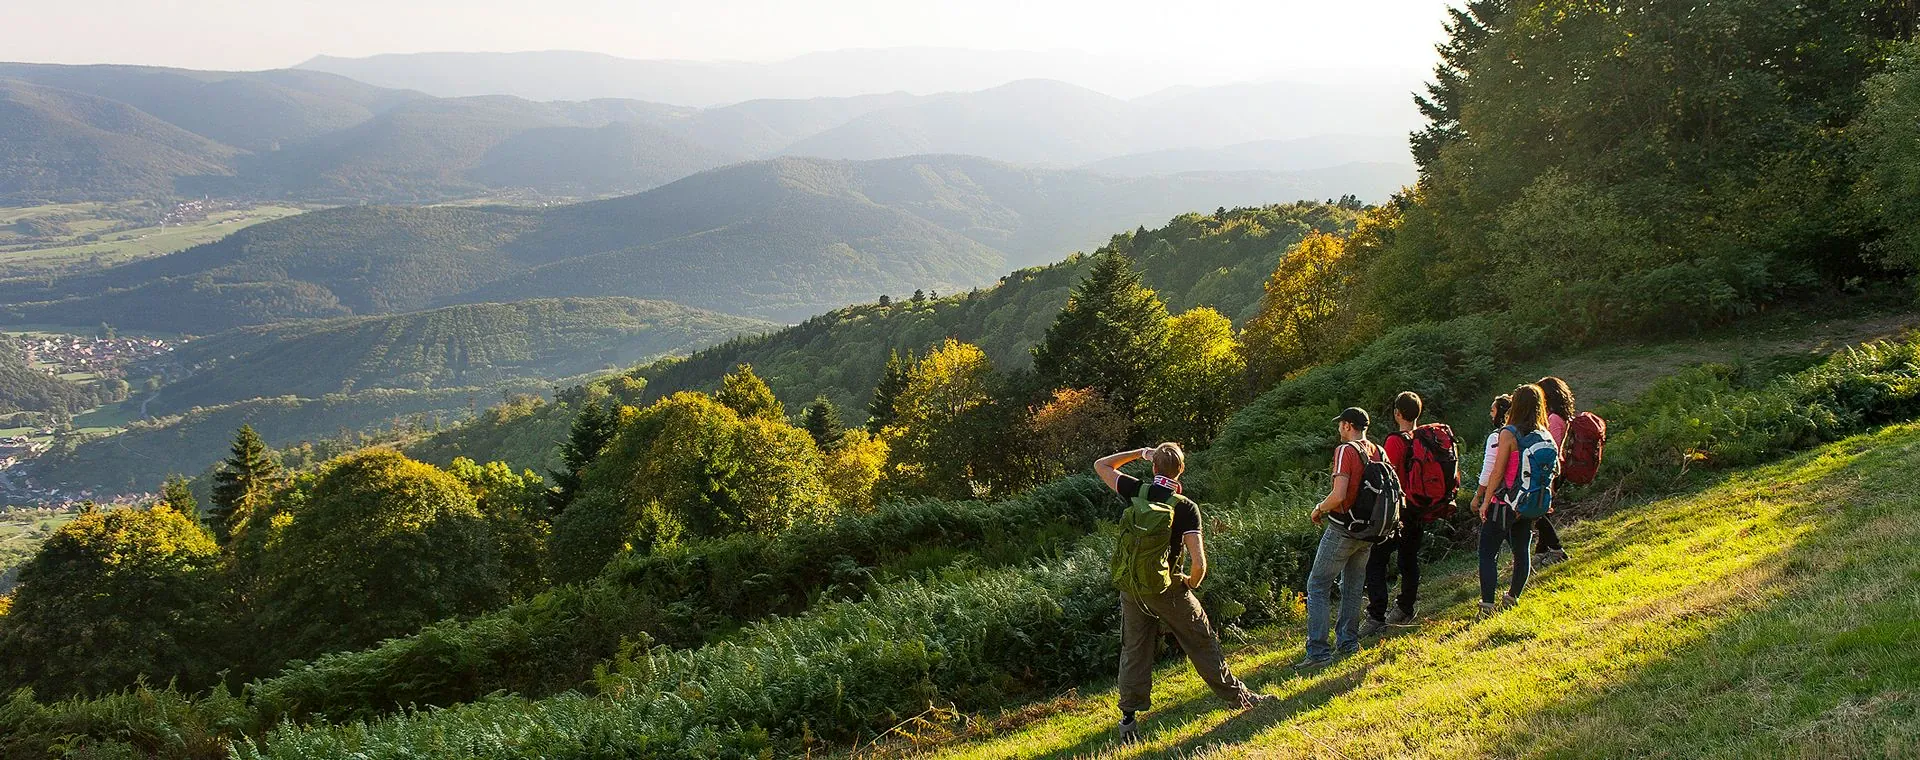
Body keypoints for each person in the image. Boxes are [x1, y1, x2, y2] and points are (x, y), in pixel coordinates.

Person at [1095, 443, 1272, 743]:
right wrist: (1191, 582)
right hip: (1169, 588)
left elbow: (1102, 465)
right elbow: (1199, 562)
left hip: (1133, 587)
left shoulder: (1135, 490)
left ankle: (1127, 721)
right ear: (1181, 470)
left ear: (1154, 469)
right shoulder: (1185, 506)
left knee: (1135, 650)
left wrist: (1140, 452)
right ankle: (1238, 698)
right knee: (1201, 641)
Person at [1294, 407, 1381, 668]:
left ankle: (1318, 653)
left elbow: (1339, 494)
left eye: (1340, 424)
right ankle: (1348, 643)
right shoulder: (1377, 450)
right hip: (1369, 531)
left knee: (1318, 585)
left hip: (1343, 528)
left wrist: (1319, 508)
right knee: (1352, 587)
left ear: (1346, 426)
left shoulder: (1346, 451)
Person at [1475, 384, 1549, 616]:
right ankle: (1512, 598)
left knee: (1488, 553)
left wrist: (1485, 501)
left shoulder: (1509, 433)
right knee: (1521, 551)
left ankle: (1487, 605)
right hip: (1527, 502)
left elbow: (1497, 472)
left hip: (1504, 503)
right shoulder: (1543, 433)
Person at [1361, 392, 1431, 635]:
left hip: (1399, 511)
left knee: (1376, 562)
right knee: (1409, 559)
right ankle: (1405, 606)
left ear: (1397, 414)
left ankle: (1376, 617)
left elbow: (1388, 478)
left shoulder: (1394, 441)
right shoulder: (1425, 438)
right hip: (1420, 507)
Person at [1532, 376, 1576, 567]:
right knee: (1543, 512)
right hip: (1553, 470)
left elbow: (1552, 449)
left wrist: (1547, 479)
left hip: (1550, 472)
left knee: (1539, 513)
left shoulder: (1555, 419)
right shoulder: (1559, 416)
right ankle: (1541, 552)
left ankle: (1557, 550)